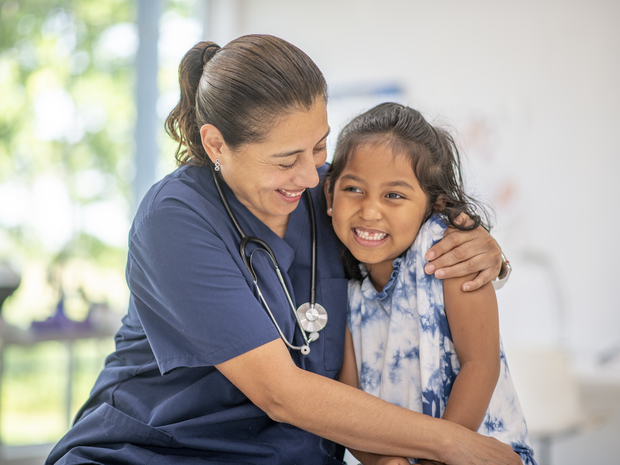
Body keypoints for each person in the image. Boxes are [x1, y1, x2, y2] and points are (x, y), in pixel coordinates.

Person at [46, 35, 518, 465]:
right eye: (286, 159)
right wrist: (454, 443)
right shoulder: (174, 219)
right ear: (216, 144)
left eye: (318, 147)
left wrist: (482, 247)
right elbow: (282, 393)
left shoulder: (341, 196)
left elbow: (418, 218)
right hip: (153, 451)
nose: (313, 177)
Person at [325, 103, 536, 465]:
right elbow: (350, 397)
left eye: (394, 195)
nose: (370, 210)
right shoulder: (342, 285)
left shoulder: (448, 250)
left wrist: (436, 458)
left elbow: (480, 364)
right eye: (354, 189)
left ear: (434, 203)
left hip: (482, 451)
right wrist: (379, 461)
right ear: (329, 194)